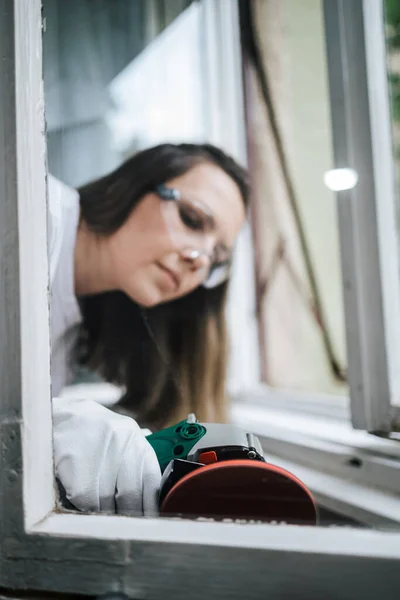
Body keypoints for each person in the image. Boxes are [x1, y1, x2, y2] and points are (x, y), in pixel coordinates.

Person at [49, 142, 249, 517]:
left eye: (216, 258)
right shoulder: (28, 209)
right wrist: (53, 430)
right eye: (192, 218)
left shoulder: (70, 333)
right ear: (132, 186)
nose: (199, 259)